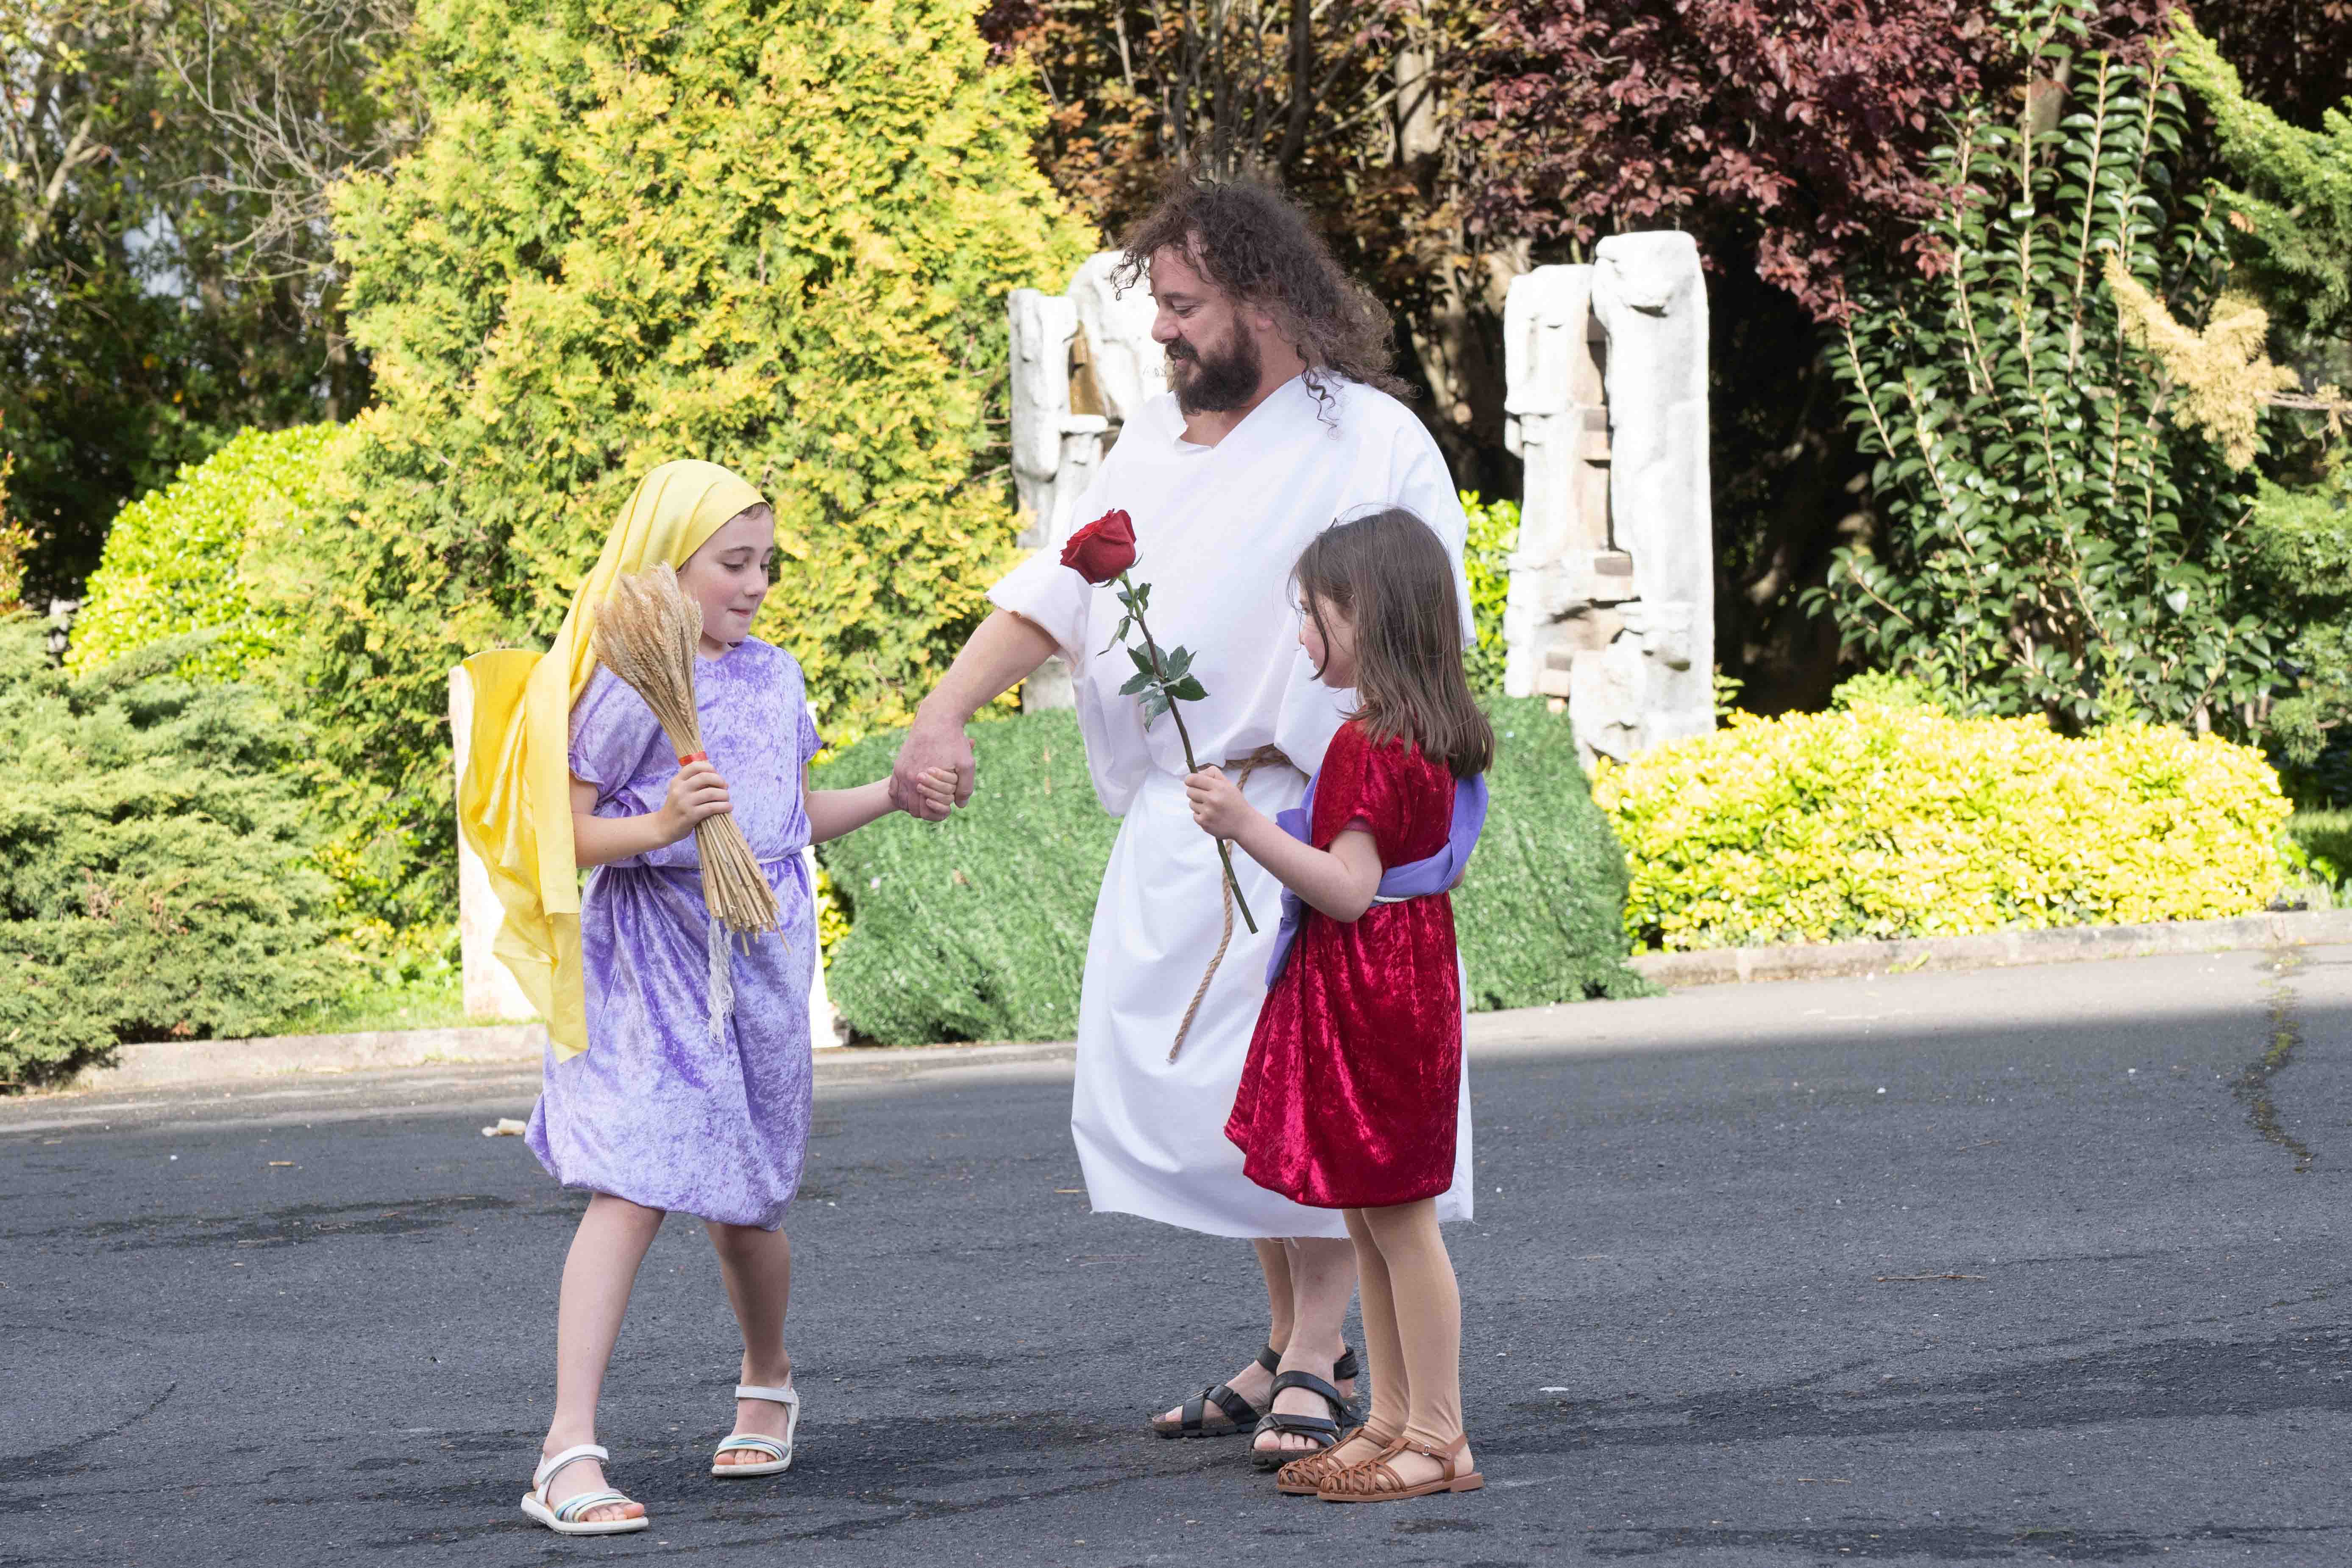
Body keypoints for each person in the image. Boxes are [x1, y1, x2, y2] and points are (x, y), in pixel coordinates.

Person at [887, 173, 1476, 1466]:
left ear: (1263, 299)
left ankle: (1322, 1353)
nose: (1158, 329)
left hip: (1315, 814)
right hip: (1185, 812)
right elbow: (1058, 589)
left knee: (1315, 1089)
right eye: (1157, 303)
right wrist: (942, 711)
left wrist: (1363, 793)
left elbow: (1423, 627)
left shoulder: (1368, 438)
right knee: (1233, 1092)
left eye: (1181, 304)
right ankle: (1288, 1337)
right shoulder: (1150, 443)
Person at [458, 460, 953, 1535]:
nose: (757, 583)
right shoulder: (623, 679)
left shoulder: (777, 676)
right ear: (666, 564)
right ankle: (566, 1448)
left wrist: (891, 793)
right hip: (651, 957)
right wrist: (660, 825)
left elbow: (790, 816)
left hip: (764, 953)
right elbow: (561, 834)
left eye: (767, 562)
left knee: (746, 1202)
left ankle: (768, 1375)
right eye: (734, 562)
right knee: (629, 1182)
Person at [1186, 508, 1489, 1503]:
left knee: (1398, 1222)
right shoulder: (1425, 736)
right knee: (1374, 1218)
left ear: (1366, 613)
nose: (1303, 634)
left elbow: (1349, 888)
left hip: (1373, 988)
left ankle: (1438, 1432)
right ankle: (1394, 1420)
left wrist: (1243, 823)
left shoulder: (1365, 742)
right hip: (1405, 980)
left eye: (1312, 613)